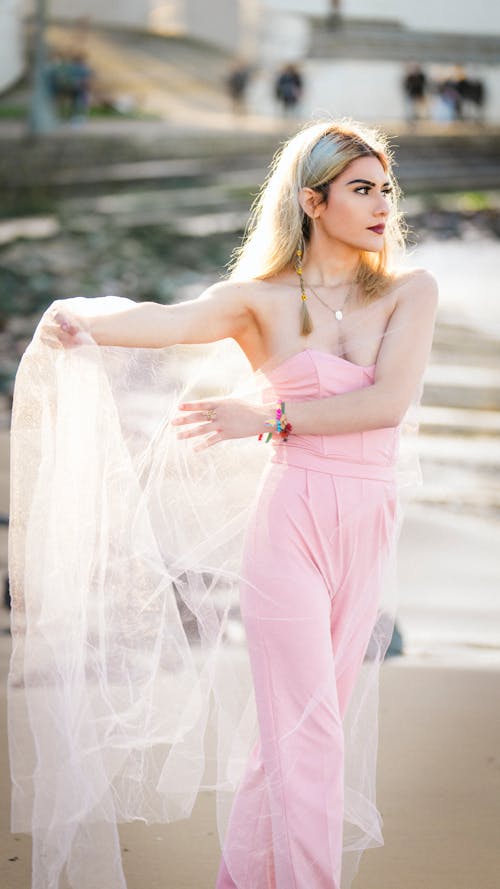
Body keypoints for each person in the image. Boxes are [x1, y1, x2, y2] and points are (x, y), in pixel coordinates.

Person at [9, 120, 438, 889]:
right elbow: (169, 323)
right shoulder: (255, 301)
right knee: (308, 736)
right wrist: (83, 324)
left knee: (297, 738)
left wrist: (265, 418)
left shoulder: (411, 292)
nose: (382, 206)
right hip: (291, 526)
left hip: (367, 526)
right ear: (313, 200)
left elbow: (388, 403)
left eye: (386, 189)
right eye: (361, 189)